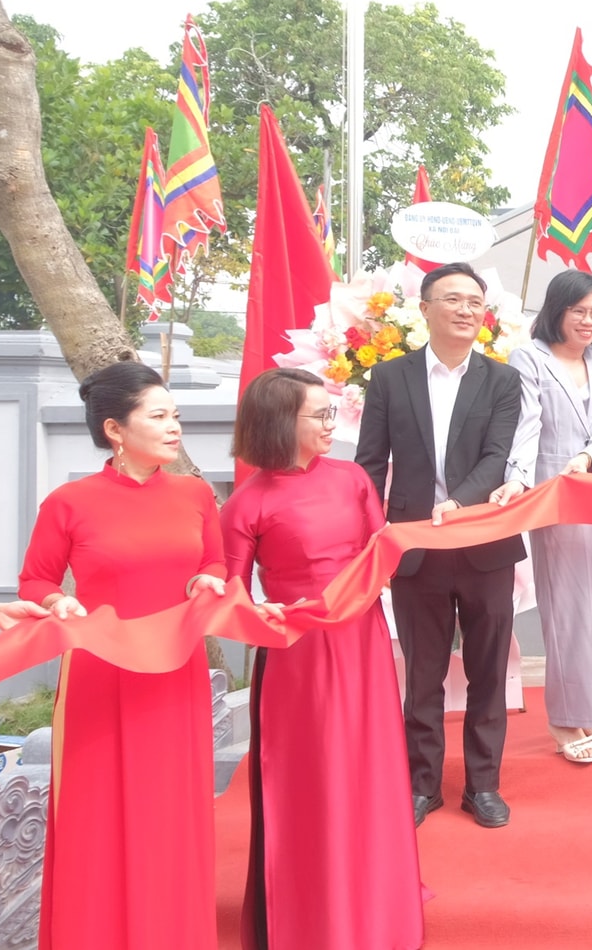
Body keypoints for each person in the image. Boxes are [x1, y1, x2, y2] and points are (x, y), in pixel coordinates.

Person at [18, 361, 227, 948]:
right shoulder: (70, 502)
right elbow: (35, 581)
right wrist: (58, 601)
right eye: (158, 416)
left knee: (170, 815)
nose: (174, 427)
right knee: (97, 817)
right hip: (99, 675)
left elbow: (215, 563)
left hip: (174, 674)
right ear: (115, 429)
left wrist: (206, 581)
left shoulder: (193, 493)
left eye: (176, 416)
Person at [223, 368, 424, 949]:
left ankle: (374, 895)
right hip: (298, 660)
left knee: (371, 769)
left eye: (331, 411)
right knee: (312, 782)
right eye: (321, 415)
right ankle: (311, 908)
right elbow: (231, 598)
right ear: (280, 423)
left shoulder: (353, 478)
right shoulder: (247, 504)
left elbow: (378, 555)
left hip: (361, 643)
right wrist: (272, 615)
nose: (332, 425)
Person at [355, 261, 527, 828]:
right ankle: (420, 784)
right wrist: (366, 535)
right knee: (423, 672)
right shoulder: (389, 378)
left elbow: (496, 457)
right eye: (452, 299)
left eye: (475, 302)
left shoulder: (501, 379)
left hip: (483, 543)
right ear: (425, 308)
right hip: (414, 547)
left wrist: (463, 505)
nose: (465, 310)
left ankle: (483, 785)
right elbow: (370, 464)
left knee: (487, 670)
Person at [491, 270, 592, 765]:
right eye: (579, 312)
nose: (589, 321)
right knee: (568, 607)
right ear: (557, 312)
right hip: (555, 488)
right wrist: (518, 479)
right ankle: (565, 720)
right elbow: (526, 425)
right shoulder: (530, 358)